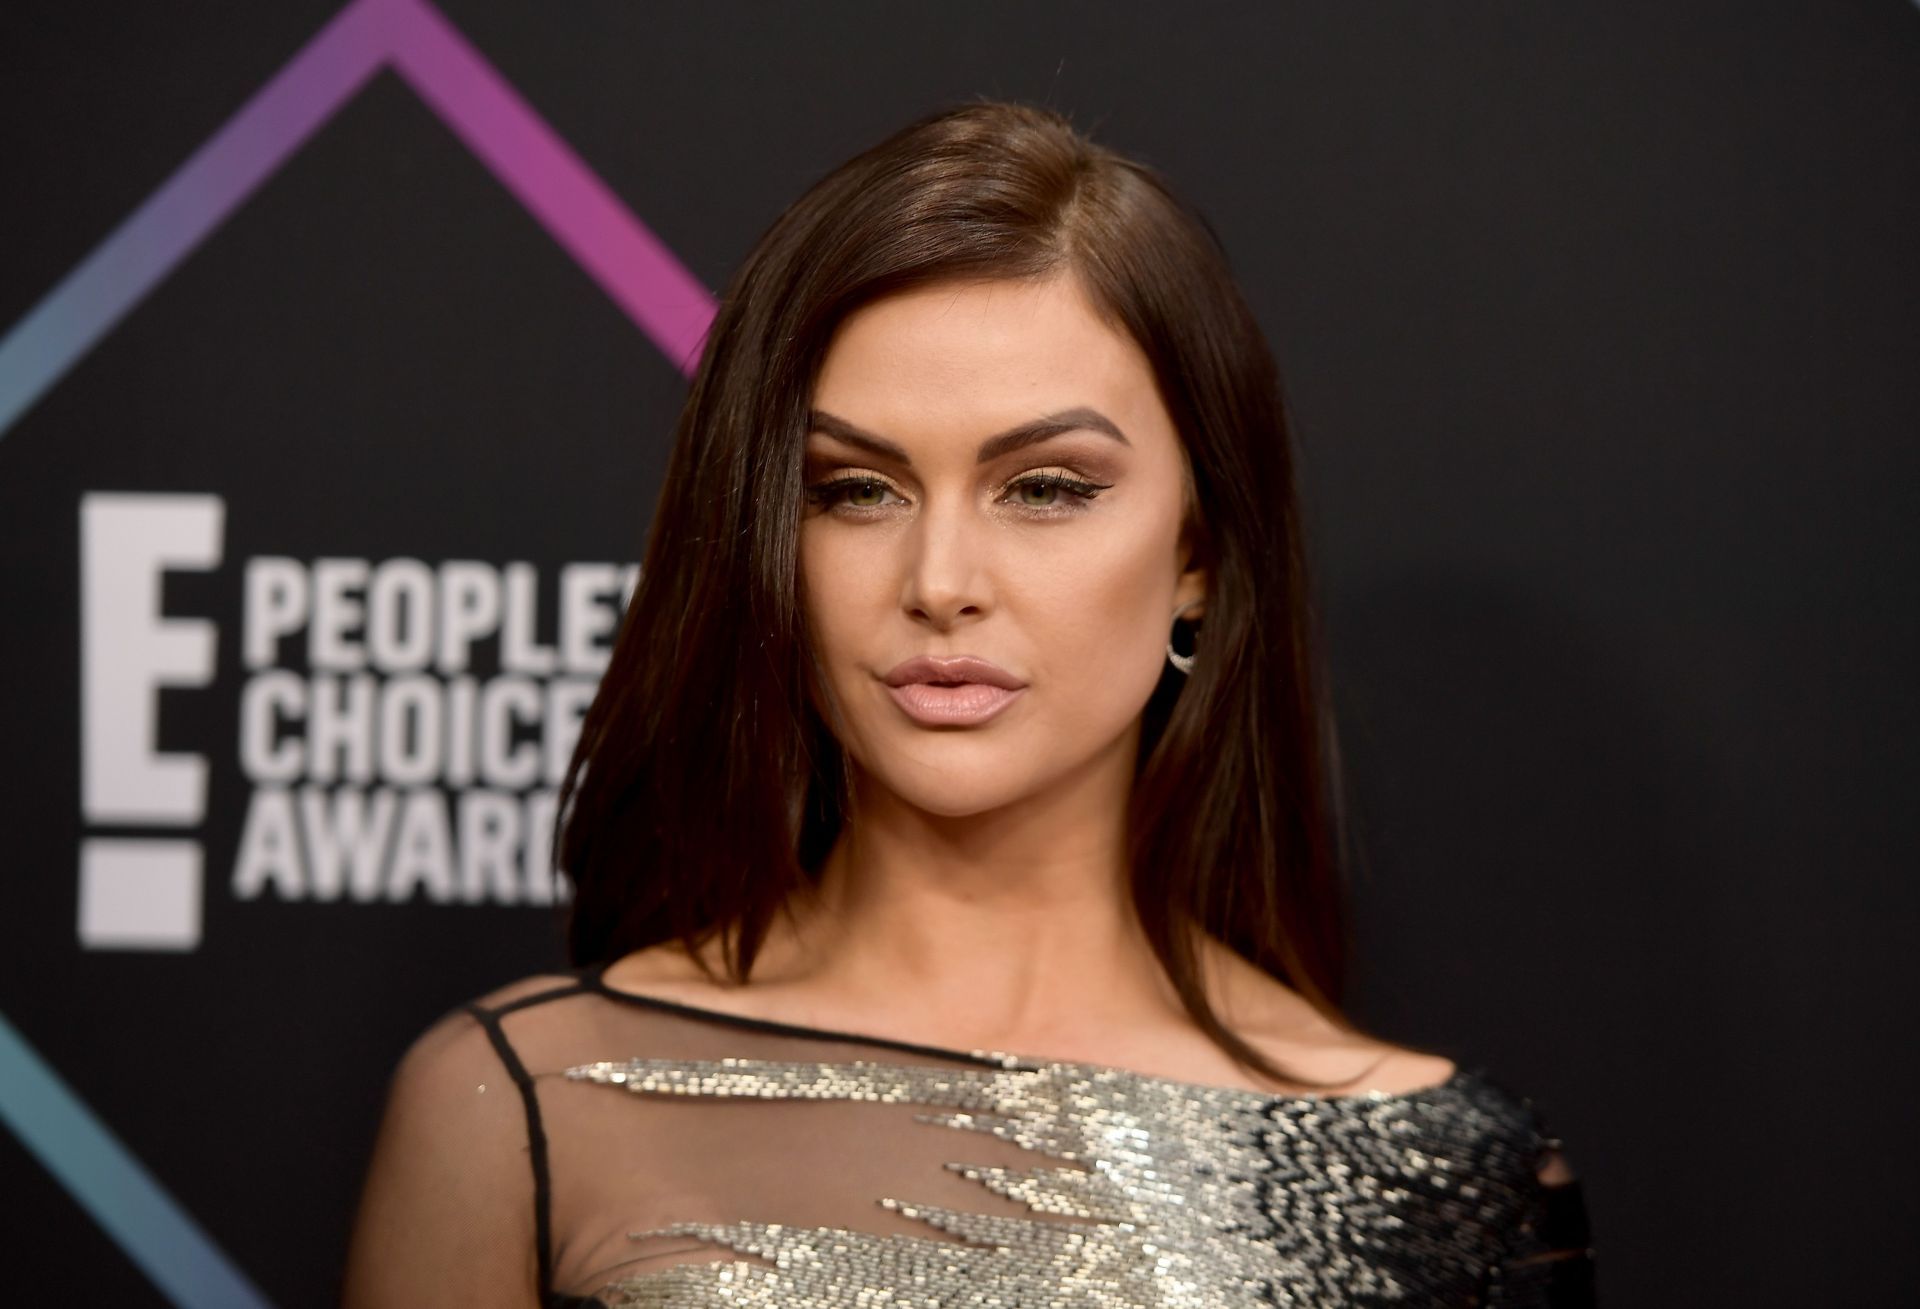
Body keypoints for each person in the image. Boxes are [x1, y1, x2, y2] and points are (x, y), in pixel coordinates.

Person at [341, 100, 1596, 1308]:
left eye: (1045, 487)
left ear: (1199, 555)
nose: (939, 583)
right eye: (854, 490)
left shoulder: (1440, 1178)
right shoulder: (521, 1102)